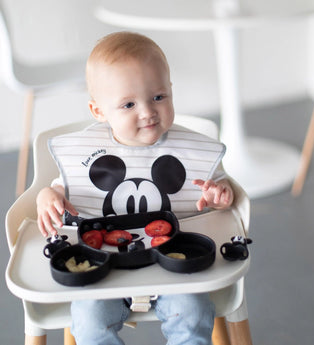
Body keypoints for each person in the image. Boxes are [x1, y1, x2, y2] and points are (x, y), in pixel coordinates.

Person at [36, 31, 234, 345]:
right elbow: (63, 187)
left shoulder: (192, 150)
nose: (147, 112)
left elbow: (219, 188)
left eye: (158, 97)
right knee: (88, 322)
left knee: (193, 314)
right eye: (128, 104)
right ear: (99, 111)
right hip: (103, 270)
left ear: (170, 90)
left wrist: (219, 195)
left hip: (176, 265)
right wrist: (48, 196)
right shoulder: (88, 156)